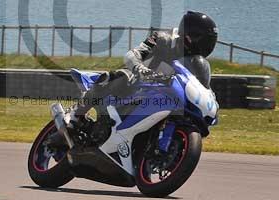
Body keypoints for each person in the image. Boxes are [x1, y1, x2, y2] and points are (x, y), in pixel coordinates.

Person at [68, 11, 219, 126]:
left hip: (161, 96)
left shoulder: (195, 62)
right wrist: (139, 68)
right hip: (136, 84)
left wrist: (211, 101)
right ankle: (75, 115)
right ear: (190, 36)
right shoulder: (161, 38)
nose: (208, 46)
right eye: (206, 41)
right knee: (121, 77)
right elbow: (132, 54)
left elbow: (201, 87)